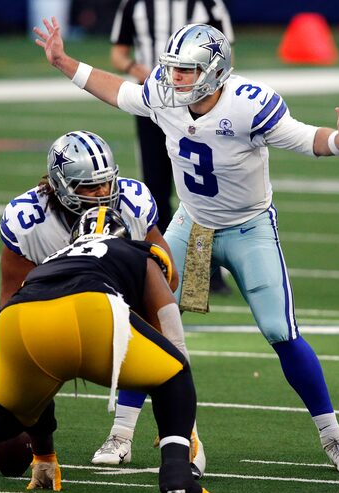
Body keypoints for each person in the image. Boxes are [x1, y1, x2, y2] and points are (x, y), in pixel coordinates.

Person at [34, 20, 339, 473]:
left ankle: (334, 438)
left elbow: (306, 139)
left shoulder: (249, 105)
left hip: (249, 227)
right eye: (173, 69)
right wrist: (64, 62)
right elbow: (118, 91)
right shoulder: (163, 92)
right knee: (145, 325)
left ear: (214, 71)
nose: (174, 78)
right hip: (193, 227)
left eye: (185, 70)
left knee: (281, 331)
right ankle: (120, 434)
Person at [0, 206, 212, 493]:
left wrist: (44, 455)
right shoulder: (137, 251)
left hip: (18, 316)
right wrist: (181, 424)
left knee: (8, 408)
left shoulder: (52, 259)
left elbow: (41, 396)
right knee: (176, 372)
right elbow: (170, 332)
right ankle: (177, 477)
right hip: (90, 307)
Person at [0, 131, 204, 469]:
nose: (103, 194)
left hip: (113, 302)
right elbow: (9, 303)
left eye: (107, 183)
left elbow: (168, 275)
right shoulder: (28, 219)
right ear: (60, 185)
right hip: (44, 307)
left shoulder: (132, 201)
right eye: (90, 187)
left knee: (153, 341)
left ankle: (126, 433)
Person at [110, 0, 234, 296]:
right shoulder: (135, 4)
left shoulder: (208, 4)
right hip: (155, 104)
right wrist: (134, 68)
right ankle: (161, 269)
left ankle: (205, 274)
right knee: (156, 188)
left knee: (200, 192)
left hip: (197, 106)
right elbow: (118, 52)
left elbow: (227, 54)